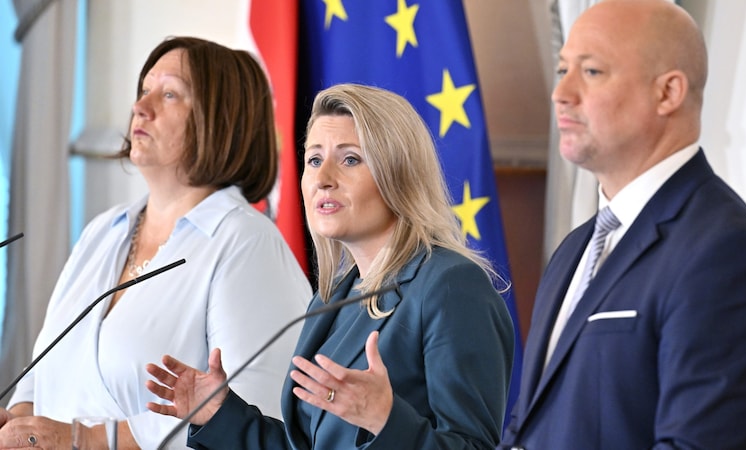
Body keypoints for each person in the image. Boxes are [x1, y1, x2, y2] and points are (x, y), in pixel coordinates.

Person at [144, 83, 515, 449]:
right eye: (314, 160)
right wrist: (219, 413)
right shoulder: (332, 300)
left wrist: (385, 421)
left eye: (350, 159)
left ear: (398, 174)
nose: (322, 180)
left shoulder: (450, 286)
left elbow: (473, 447)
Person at [499, 1, 746, 449]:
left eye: (592, 71)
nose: (562, 93)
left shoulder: (727, 253)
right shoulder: (575, 249)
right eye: (563, 70)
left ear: (668, 93)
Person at [0, 36, 312, 449]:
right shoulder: (104, 230)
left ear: (220, 121)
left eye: (169, 94)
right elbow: (44, 378)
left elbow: (252, 421)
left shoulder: (247, 244)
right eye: (143, 90)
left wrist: (85, 440)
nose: (140, 107)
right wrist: (16, 423)